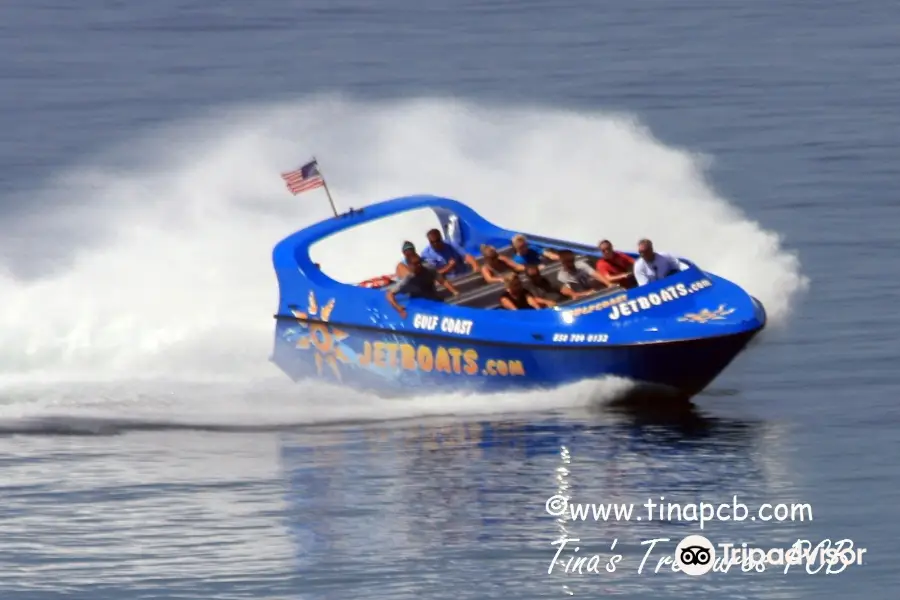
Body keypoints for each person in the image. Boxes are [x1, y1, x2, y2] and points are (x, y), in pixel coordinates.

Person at [386, 253, 459, 319]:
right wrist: (398, 308)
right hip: (419, 305)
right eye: (415, 264)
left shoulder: (429, 269)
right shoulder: (408, 279)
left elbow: (442, 281)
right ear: (410, 265)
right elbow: (389, 294)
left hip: (434, 300)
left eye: (419, 263)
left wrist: (454, 291)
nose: (419, 266)